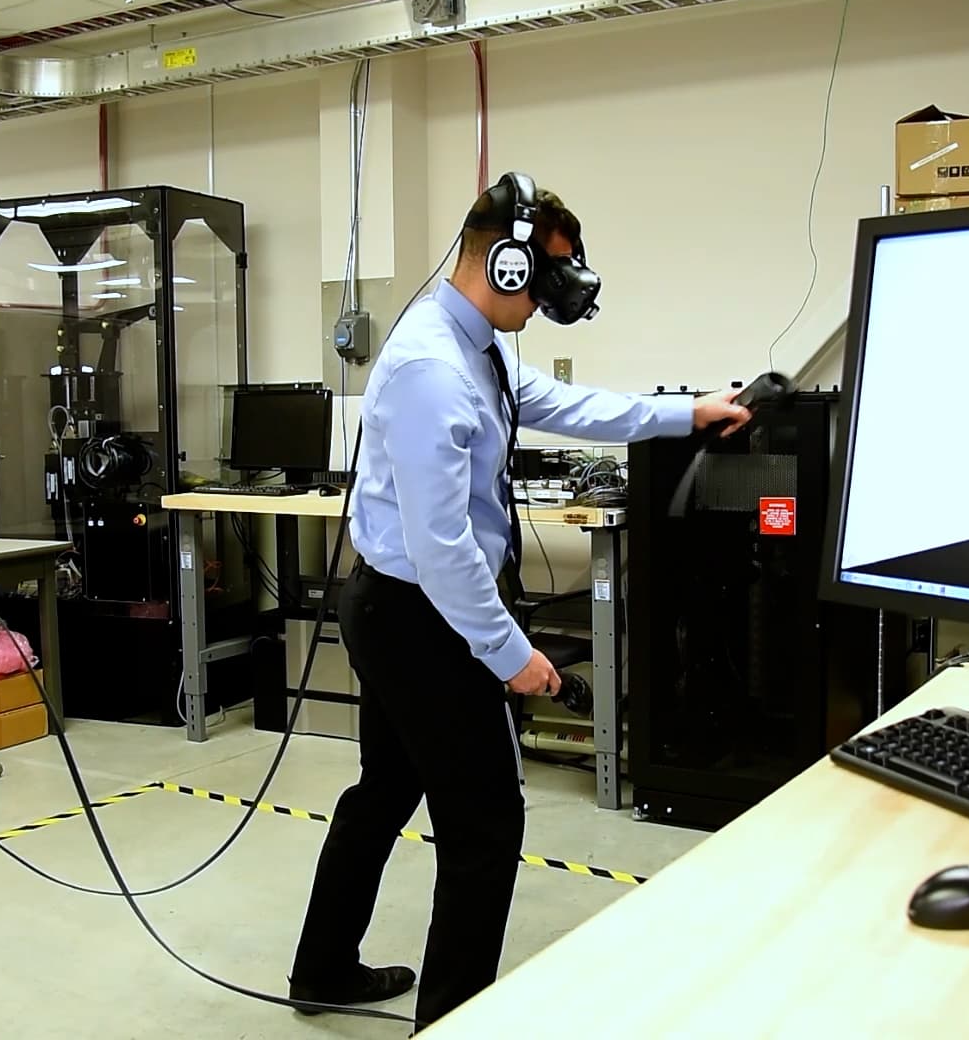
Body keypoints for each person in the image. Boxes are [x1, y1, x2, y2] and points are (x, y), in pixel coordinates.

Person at [287, 173, 751, 1031]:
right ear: (502, 266)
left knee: (382, 794)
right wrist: (514, 656)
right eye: (541, 281)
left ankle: (322, 969)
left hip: (403, 610)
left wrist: (688, 414)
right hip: (420, 618)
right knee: (486, 829)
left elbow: (561, 403)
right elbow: (443, 552)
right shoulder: (433, 367)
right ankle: (452, 1022)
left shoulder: (479, 343)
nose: (544, 302)